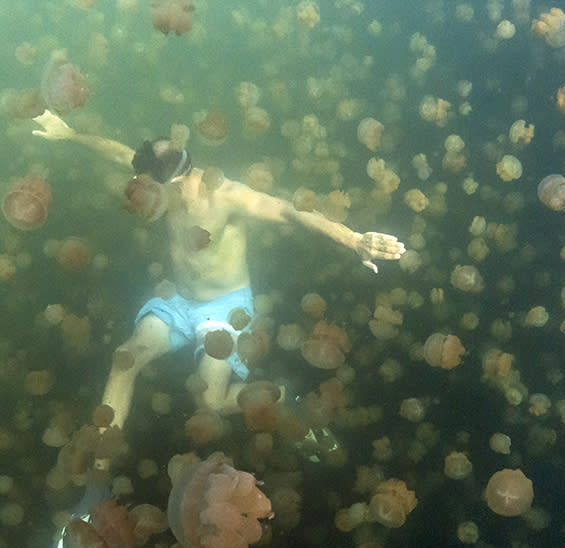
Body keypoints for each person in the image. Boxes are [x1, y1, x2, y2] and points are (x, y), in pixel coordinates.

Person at [31, 110, 406, 436]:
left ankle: (280, 401)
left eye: (148, 188)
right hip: (177, 298)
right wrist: (69, 134)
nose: (141, 193)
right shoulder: (155, 176)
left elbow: (291, 211)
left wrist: (353, 239)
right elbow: (116, 151)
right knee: (124, 359)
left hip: (224, 308)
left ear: (173, 180)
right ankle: (93, 493)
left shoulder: (226, 195)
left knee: (210, 406)